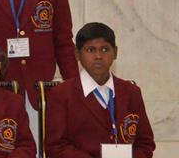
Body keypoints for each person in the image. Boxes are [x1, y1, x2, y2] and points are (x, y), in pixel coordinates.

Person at [45, 22, 155, 157]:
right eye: (90, 50)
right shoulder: (61, 95)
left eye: (105, 50)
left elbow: (145, 144)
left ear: (115, 52)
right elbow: (55, 147)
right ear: (77, 54)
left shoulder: (131, 92)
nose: (98, 56)